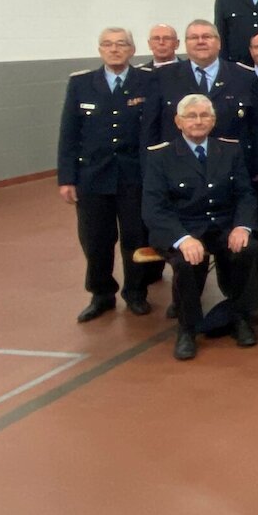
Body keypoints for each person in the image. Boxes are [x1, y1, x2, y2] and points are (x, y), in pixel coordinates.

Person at [142, 94, 258, 361]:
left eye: (204, 115)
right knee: (186, 262)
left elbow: (245, 194)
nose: (198, 121)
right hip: (182, 228)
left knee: (249, 249)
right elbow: (154, 208)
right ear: (178, 121)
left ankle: (239, 317)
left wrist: (242, 226)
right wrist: (182, 239)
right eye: (191, 116)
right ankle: (187, 328)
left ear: (214, 120)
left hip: (222, 225)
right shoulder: (161, 157)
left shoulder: (229, 150)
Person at [58, 27, 154, 321]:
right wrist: (66, 178)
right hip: (93, 176)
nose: (114, 49)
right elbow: (69, 134)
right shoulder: (82, 83)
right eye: (108, 45)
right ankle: (101, 294)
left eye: (121, 44)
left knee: (135, 236)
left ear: (132, 50)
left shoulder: (147, 82)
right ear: (100, 50)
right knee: (96, 239)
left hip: (134, 175)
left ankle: (136, 292)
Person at [143, 19, 258, 171]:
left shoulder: (245, 77)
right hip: (176, 170)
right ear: (185, 44)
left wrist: (257, 170)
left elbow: (257, 130)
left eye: (207, 37)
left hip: (231, 170)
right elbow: (150, 130)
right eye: (194, 38)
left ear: (219, 43)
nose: (200, 42)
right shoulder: (163, 77)